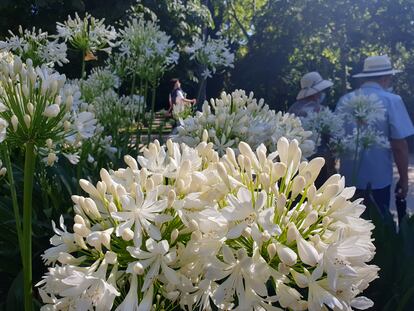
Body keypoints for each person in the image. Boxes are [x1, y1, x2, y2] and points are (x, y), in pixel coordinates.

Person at [336, 55, 414, 218]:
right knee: (377, 230)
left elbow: (335, 139)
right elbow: (399, 146)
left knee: (350, 229)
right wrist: (404, 180)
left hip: (348, 180)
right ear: (386, 77)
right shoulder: (392, 100)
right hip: (378, 181)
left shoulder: (344, 100)